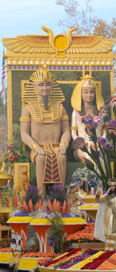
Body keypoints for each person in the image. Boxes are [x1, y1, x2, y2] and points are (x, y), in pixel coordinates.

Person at [20, 65, 70, 198]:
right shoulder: (28, 109)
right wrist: (35, 148)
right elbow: (24, 134)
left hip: (56, 147)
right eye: (41, 85)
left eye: (48, 84)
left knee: (61, 157)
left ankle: (60, 197)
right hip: (38, 147)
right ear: (34, 87)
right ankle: (41, 198)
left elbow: (66, 131)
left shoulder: (60, 108)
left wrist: (63, 145)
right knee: (41, 159)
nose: (45, 88)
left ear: (52, 86)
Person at [71, 74, 105, 162]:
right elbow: (73, 132)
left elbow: (104, 131)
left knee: (99, 157)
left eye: (91, 92)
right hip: (83, 147)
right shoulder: (76, 112)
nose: (89, 95)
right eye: (86, 92)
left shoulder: (100, 112)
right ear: (80, 94)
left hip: (98, 146)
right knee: (88, 157)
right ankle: (88, 176)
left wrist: (101, 142)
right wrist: (80, 143)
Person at [94, 178, 116, 251]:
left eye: (114, 186)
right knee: (110, 231)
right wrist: (98, 192)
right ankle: (109, 247)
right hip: (109, 214)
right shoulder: (107, 196)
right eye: (111, 186)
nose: (112, 187)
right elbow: (98, 201)